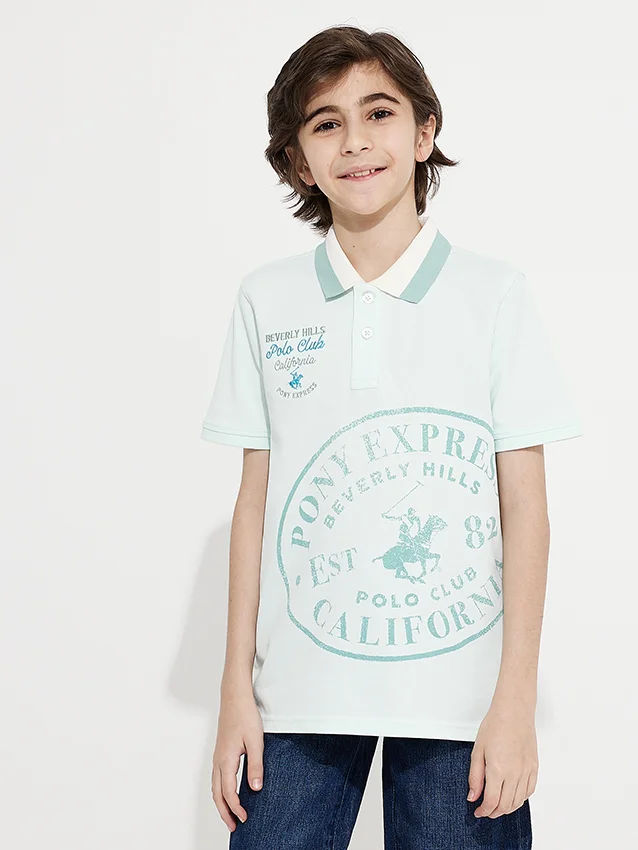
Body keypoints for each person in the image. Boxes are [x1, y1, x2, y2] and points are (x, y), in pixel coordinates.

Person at [199, 24, 583, 850]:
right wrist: (234, 690)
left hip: (460, 705)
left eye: (378, 112)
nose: (356, 141)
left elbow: (526, 506)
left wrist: (515, 700)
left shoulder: (494, 296)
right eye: (325, 122)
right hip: (297, 697)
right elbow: (254, 503)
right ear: (299, 161)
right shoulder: (267, 300)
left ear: (423, 132)